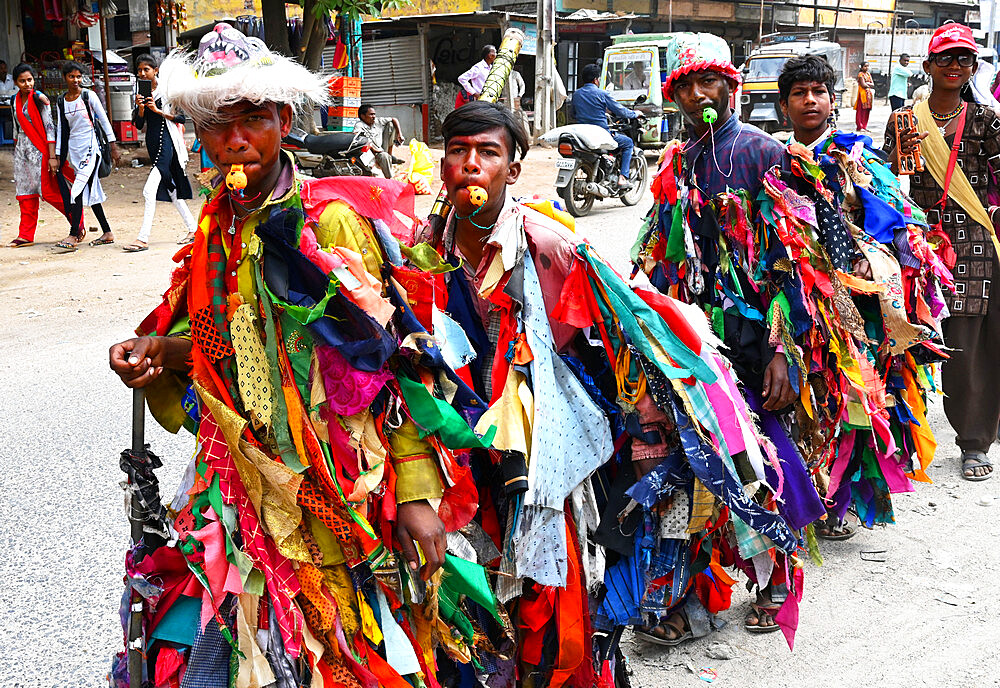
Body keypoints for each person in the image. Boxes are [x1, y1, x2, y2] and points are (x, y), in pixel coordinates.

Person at [106, 22, 515, 687]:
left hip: (335, 491)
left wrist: (414, 492)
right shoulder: (215, 224)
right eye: (215, 122)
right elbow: (229, 348)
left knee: (343, 644)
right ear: (197, 134)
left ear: (284, 119)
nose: (234, 138)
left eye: (253, 118)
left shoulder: (329, 223)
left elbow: (392, 368)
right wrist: (157, 348)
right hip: (235, 481)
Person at [418, 99, 802, 667]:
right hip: (459, 430)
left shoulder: (549, 244)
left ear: (514, 171)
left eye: (488, 153)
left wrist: (652, 424)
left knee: (559, 581)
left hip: (551, 440)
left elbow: (617, 338)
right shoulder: (422, 249)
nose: (471, 165)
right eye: (458, 152)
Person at [635, 32, 818, 636]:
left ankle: (775, 579)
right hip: (692, 335)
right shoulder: (674, 163)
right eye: (685, 84)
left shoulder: (766, 154)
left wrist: (781, 351)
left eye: (707, 80)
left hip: (751, 336)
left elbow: (793, 262)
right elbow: (663, 254)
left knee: (756, 455)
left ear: (732, 85)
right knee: (691, 457)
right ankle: (688, 597)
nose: (696, 93)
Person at [776, 54, 950, 537]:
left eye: (818, 92)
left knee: (856, 393)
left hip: (856, 299)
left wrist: (866, 249)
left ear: (832, 101)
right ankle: (807, 488)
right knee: (806, 392)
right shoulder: (775, 161)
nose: (810, 100)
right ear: (784, 105)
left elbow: (898, 217)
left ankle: (844, 498)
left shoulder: (856, 156)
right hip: (797, 297)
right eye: (799, 94)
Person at [886, 22, 1000, 481]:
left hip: (972, 242)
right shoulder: (904, 121)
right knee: (907, 338)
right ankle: (901, 438)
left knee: (966, 343)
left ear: (973, 67)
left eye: (964, 59)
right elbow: (887, 181)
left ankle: (974, 441)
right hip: (919, 242)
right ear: (929, 65)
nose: (955, 66)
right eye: (946, 58)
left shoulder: (987, 120)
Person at [124, 53, 197, 252]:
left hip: (168, 144)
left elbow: (182, 118)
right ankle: (193, 229)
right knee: (172, 191)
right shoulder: (140, 93)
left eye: (146, 69)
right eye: (139, 70)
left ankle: (143, 238)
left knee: (149, 191)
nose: (142, 73)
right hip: (153, 143)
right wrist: (140, 109)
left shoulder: (167, 91)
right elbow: (139, 125)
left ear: (155, 70)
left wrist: (158, 112)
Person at [8, 63, 78, 247]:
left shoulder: (41, 99)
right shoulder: (13, 101)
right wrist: (17, 152)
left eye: (29, 80)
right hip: (22, 152)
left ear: (34, 80)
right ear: (16, 82)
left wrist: (52, 157)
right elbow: (16, 129)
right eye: (22, 81)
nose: (27, 84)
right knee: (24, 192)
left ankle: (77, 223)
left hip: (40, 150)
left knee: (48, 191)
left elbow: (49, 128)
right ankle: (25, 235)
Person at [52, 61, 118, 253]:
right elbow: (61, 129)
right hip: (75, 151)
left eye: (78, 76)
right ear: (65, 77)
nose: (76, 80)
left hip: (92, 149)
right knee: (91, 190)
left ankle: (73, 234)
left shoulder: (89, 96)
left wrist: (113, 147)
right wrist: (58, 155)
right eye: (72, 76)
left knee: (77, 190)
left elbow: (104, 120)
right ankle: (107, 232)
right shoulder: (61, 101)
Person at [571, 62, 641, 188]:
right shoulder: (602, 94)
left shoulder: (576, 94)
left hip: (582, 135)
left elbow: (573, 114)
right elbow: (620, 111)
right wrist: (635, 114)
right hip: (601, 134)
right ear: (596, 80)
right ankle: (623, 178)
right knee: (628, 143)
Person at [353, 103, 404, 178]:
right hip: (369, 152)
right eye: (371, 114)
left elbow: (394, 119)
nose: (373, 117)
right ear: (363, 116)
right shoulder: (359, 125)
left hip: (381, 149)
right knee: (381, 159)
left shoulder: (378, 121)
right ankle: (387, 176)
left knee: (390, 124)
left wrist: (399, 134)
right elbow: (356, 136)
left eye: (374, 114)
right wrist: (373, 149)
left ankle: (390, 159)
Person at [855, 61, 874, 131]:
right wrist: (868, 84)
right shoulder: (860, 74)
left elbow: (873, 84)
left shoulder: (868, 74)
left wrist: (867, 84)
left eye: (867, 66)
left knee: (867, 110)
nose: (867, 68)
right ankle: (859, 126)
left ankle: (864, 126)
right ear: (862, 67)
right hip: (862, 95)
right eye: (865, 66)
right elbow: (863, 85)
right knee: (860, 110)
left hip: (868, 95)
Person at [0, 60, 15, 140]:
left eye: (5, 68)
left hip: (11, 106)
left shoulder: (12, 79)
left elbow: (16, 91)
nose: (3, 71)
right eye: (1, 69)